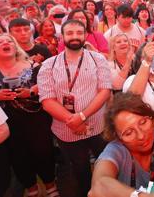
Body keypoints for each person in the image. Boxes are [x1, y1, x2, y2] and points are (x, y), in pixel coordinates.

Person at [0, 33, 58, 197]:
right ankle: (31, 188)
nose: (5, 43)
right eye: (0, 42)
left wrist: (30, 91)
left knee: (44, 152)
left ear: (16, 47)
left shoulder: (32, 65)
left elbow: (48, 85)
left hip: (35, 119)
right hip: (5, 125)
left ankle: (51, 186)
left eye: (9, 41)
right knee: (17, 157)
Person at [38, 19, 112, 197]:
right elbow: (47, 100)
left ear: (85, 35)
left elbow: (104, 91)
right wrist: (71, 121)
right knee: (79, 168)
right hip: (66, 130)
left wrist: (81, 117)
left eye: (79, 33)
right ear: (62, 36)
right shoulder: (49, 65)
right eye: (70, 33)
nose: (75, 36)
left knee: (105, 163)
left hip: (96, 125)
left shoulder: (98, 59)